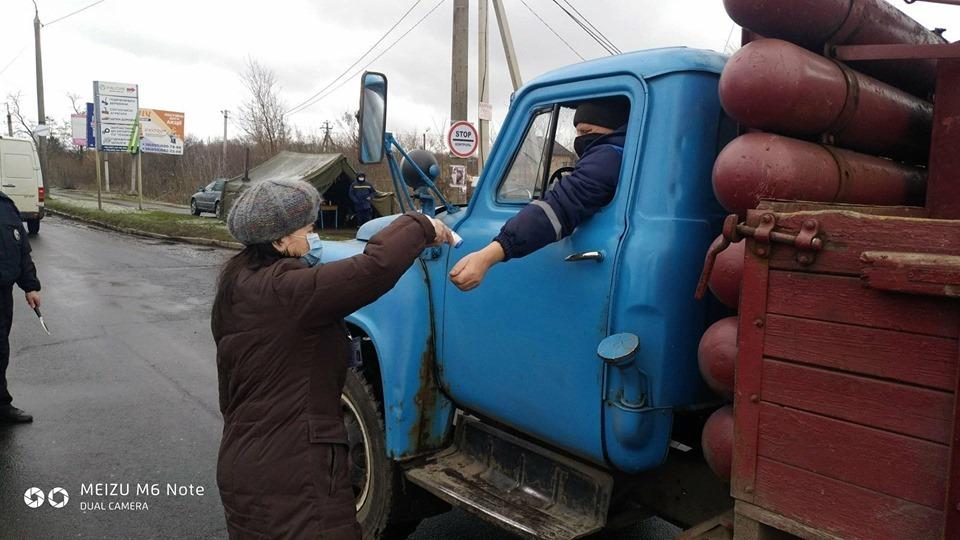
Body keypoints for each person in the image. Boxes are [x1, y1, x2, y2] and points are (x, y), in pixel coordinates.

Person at [212, 178, 451, 539]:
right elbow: (374, 269)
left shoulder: (239, 286)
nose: (314, 236)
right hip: (293, 476)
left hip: (244, 464)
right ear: (279, 240)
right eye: (307, 229)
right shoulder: (288, 292)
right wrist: (420, 225)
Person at [450, 96, 629, 291]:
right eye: (577, 132)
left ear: (612, 127)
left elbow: (559, 207)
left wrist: (488, 255)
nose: (580, 140)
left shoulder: (609, 156)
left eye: (586, 132)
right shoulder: (624, 155)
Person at [0, 192, 41, 423]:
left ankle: (1, 405)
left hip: (2, 294)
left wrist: (30, 286)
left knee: (0, 351)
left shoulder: (6, 206)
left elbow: (21, 249)